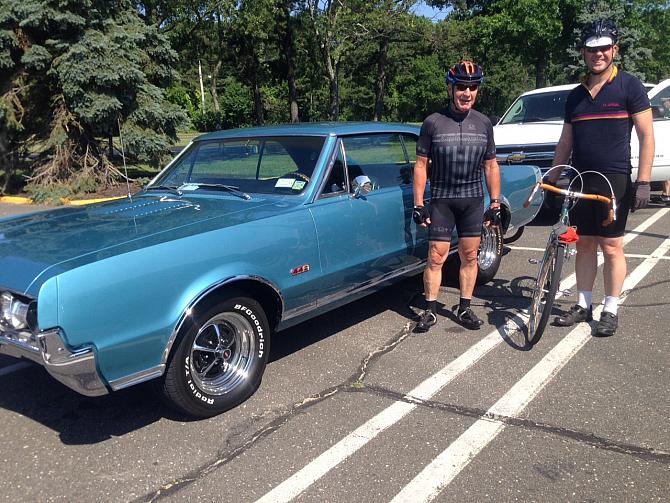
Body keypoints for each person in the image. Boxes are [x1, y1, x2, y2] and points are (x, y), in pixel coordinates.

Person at [548, 19, 655, 336]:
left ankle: (610, 308)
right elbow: (565, 141)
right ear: (584, 52)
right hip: (582, 179)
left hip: (614, 182)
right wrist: (555, 175)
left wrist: (645, 181)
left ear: (614, 50)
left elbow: (647, 136)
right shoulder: (575, 96)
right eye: (592, 49)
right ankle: (583, 305)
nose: (599, 54)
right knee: (584, 245)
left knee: (611, 247)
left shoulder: (629, 86)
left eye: (604, 48)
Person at [412, 60, 501, 332]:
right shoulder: (433, 123)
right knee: (436, 256)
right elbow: (420, 165)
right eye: (461, 86)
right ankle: (430, 309)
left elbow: (491, 165)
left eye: (473, 87)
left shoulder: (484, 123)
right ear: (450, 88)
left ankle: (464, 307)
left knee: (470, 256)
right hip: (442, 199)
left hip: (472, 199)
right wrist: (418, 204)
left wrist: (495, 202)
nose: (467, 93)